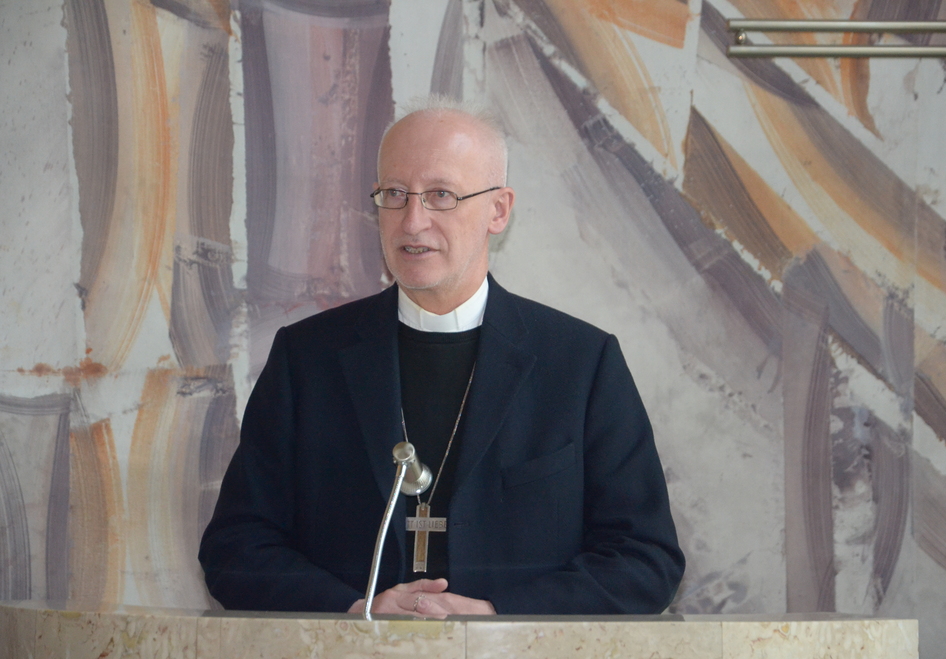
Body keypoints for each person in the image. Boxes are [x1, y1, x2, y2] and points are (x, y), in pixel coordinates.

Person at [198, 98, 685, 617]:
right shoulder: (306, 359)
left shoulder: (581, 363)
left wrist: (497, 616)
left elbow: (645, 559)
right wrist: (357, 610)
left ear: (498, 210)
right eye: (395, 194)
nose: (413, 222)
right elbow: (235, 548)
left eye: (441, 195)